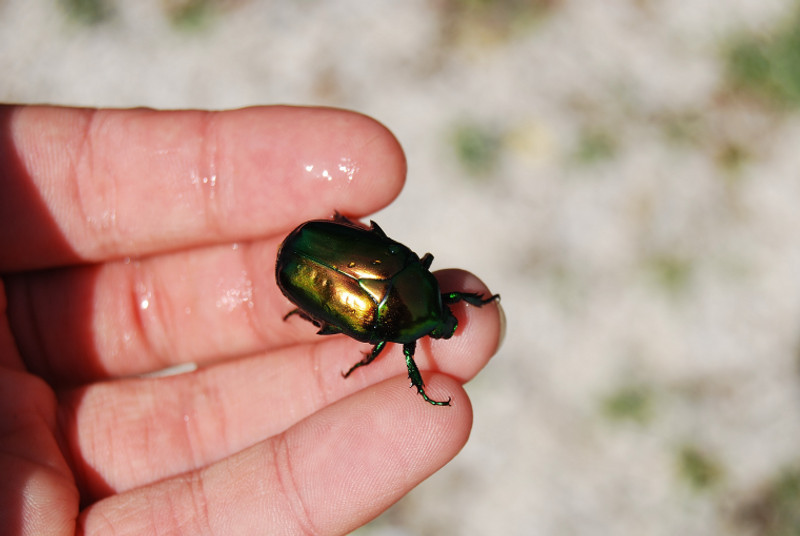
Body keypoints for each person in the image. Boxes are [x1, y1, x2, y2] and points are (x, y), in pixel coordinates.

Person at [0, 105, 503, 535]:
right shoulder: (389, 330)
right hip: (310, 259)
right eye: (445, 314)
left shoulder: (411, 284)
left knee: (350, 328)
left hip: (316, 251)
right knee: (349, 332)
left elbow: (411, 270)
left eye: (443, 316)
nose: (445, 320)